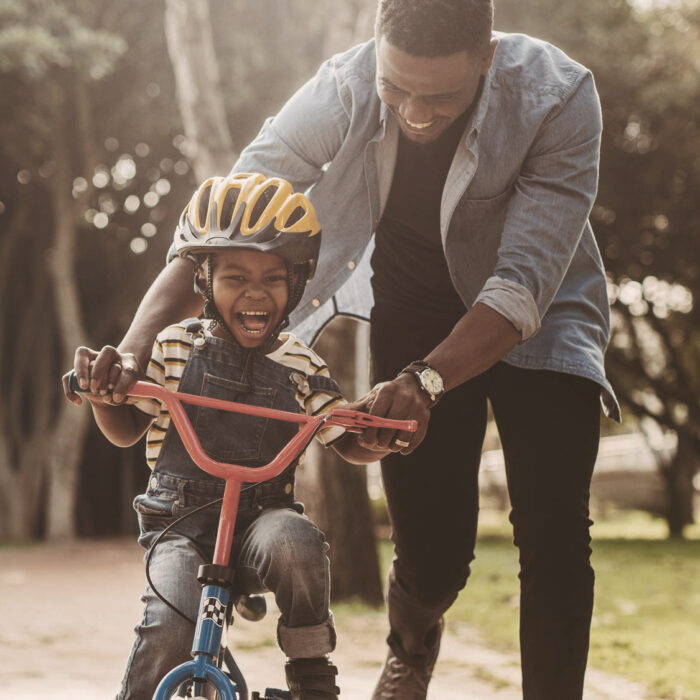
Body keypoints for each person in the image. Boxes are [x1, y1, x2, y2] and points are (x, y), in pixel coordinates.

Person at [88, 1, 621, 698]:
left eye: (441, 97)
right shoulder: (345, 85)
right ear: (376, 51)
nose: (416, 115)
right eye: (397, 90)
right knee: (433, 551)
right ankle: (412, 646)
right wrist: (133, 347)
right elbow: (228, 221)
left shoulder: (560, 95)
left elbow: (521, 286)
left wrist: (428, 382)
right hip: (415, 311)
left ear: (487, 57)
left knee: (554, 533)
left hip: (542, 313)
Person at [64, 174, 393, 700]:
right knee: (170, 623)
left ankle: (311, 672)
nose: (255, 293)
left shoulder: (300, 365)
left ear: (298, 282)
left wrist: (372, 435)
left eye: (273, 278)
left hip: (261, 523)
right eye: (235, 276)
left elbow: (340, 433)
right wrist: (106, 396)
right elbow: (126, 429)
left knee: (297, 541)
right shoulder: (175, 347)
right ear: (204, 281)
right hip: (181, 525)